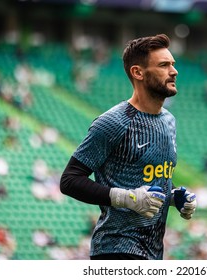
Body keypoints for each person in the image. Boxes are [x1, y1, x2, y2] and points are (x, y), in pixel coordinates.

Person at [60, 34, 197, 260]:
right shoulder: (114, 122)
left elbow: (147, 181)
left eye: (173, 64)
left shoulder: (169, 121)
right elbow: (70, 180)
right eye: (164, 65)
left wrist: (173, 197)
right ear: (138, 72)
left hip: (153, 253)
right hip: (115, 250)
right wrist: (127, 198)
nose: (174, 71)